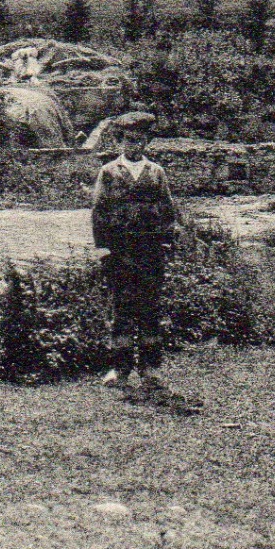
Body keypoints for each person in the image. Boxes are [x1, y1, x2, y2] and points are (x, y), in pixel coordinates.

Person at [90, 111, 179, 388]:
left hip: (149, 249)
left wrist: (166, 241)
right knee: (122, 308)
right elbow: (99, 211)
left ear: (146, 143)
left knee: (149, 308)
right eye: (129, 140)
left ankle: (151, 368)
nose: (134, 145)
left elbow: (167, 209)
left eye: (139, 141)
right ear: (120, 141)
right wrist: (102, 247)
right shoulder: (108, 172)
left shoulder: (156, 173)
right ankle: (120, 369)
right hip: (119, 250)